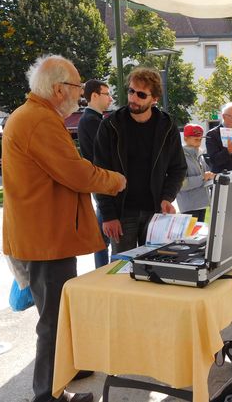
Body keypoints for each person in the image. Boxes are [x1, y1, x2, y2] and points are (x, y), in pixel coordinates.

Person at [2, 55, 127, 402]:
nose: (80, 94)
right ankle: (47, 395)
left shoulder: (35, 116)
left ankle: (57, 386)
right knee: (53, 322)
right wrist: (117, 180)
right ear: (58, 89)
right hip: (46, 239)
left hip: (47, 236)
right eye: (75, 86)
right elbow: (77, 173)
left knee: (56, 318)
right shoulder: (39, 121)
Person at [94, 67, 187, 254]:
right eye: (131, 91)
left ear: (154, 99)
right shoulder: (110, 125)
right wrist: (108, 215)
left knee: (154, 268)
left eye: (141, 95)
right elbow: (99, 173)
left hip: (156, 214)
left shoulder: (167, 126)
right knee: (121, 272)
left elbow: (178, 168)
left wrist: (167, 197)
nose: (133, 98)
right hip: (121, 213)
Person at [77, 79, 113, 268]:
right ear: (95, 96)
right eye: (107, 94)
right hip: (103, 183)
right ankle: (104, 275)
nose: (111, 99)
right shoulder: (91, 120)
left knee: (104, 237)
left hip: (102, 182)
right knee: (106, 238)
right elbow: (106, 154)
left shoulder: (94, 119)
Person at [176, 124, 214, 222]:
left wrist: (211, 176)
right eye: (196, 139)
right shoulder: (180, 157)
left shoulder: (200, 155)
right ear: (185, 139)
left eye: (200, 139)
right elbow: (181, 184)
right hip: (189, 206)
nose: (199, 143)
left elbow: (206, 174)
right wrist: (203, 178)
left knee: (197, 235)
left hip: (202, 203)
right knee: (189, 236)